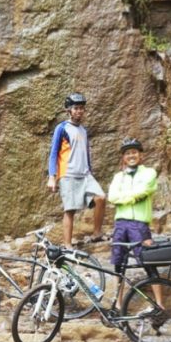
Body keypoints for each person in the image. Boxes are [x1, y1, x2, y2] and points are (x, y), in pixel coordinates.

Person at [107, 138, 165, 323]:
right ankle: (118, 305)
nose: (131, 156)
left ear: (141, 155)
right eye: (127, 153)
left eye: (134, 152)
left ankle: (160, 305)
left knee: (148, 262)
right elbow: (112, 197)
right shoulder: (118, 177)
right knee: (118, 264)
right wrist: (131, 197)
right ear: (123, 157)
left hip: (139, 223)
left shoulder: (149, 172)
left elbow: (145, 190)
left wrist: (125, 198)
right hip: (120, 224)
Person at [47, 92, 106, 247]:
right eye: (76, 108)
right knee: (70, 210)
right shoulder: (62, 128)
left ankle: (97, 233)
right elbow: (53, 153)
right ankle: (67, 245)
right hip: (68, 174)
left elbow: (86, 153)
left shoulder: (83, 130)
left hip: (85, 174)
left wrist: (90, 171)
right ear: (69, 110)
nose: (79, 111)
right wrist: (52, 176)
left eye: (82, 108)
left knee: (100, 197)